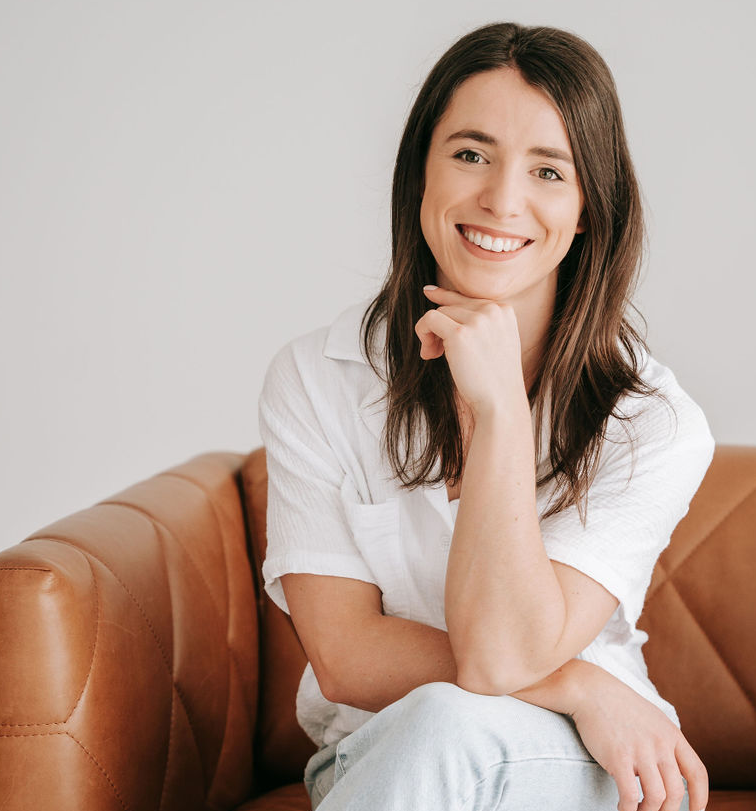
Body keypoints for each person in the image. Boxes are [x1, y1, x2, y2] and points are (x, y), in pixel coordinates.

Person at [259, 21, 714, 811]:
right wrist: (580, 685)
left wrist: (499, 411)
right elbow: (345, 658)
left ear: (585, 213)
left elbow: (500, 656)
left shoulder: (655, 421)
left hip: (576, 761)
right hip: (378, 749)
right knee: (436, 720)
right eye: (470, 154)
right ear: (420, 176)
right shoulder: (314, 376)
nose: (502, 199)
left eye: (548, 170)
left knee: (449, 720)